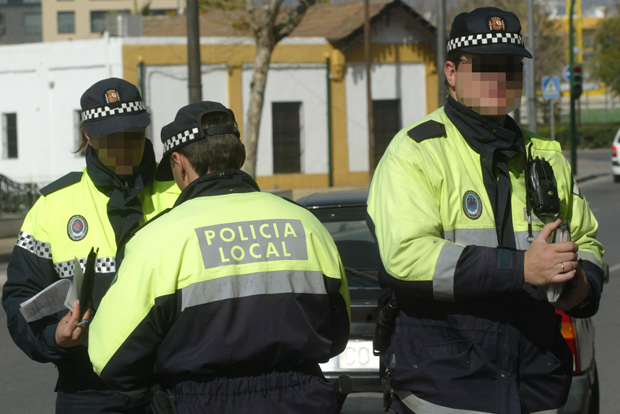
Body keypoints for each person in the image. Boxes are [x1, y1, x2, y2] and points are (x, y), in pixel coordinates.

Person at [367, 7, 604, 414]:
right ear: (452, 73)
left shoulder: (544, 154)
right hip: (445, 391)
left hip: (536, 389)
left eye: (511, 67)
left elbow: (587, 243)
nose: (500, 79)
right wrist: (520, 270)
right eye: (485, 66)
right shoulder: (416, 152)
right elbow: (405, 257)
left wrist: (580, 286)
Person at [88, 101, 351, 413]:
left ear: (179, 162)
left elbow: (110, 358)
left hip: (200, 402)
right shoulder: (306, 225)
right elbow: (337, 333)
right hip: (303, 399)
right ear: (237, 155)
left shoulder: (157, 240)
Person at [2, 78, 180, 414]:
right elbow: (20, 297)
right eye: (110, 138)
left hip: (171, 385)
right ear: (87, 135)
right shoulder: (53, 205)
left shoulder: (179, 198)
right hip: (87, 391)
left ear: (145, 131)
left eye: (132, 135)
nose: (123, 147)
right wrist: (54, 336)